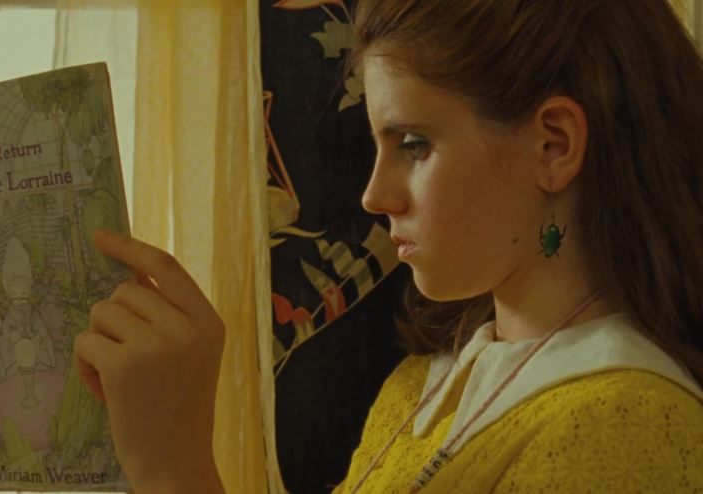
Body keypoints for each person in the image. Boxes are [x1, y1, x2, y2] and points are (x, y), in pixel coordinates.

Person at [73, 0, 703, 492]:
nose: (374, 196)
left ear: (554, 145)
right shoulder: (418, 390)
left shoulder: (628, 428)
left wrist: (173, 469)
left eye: (413, 145)